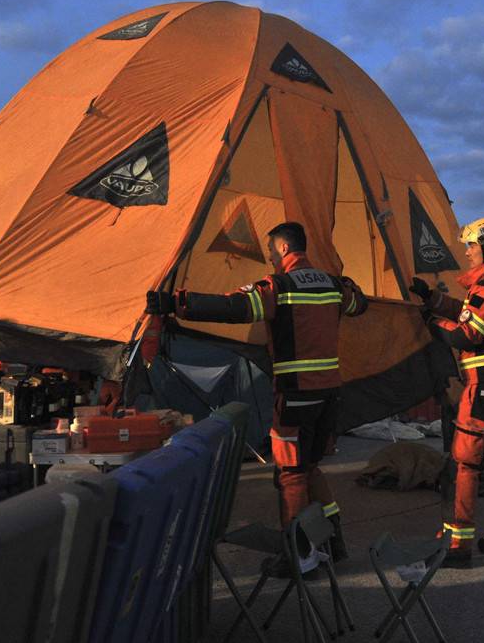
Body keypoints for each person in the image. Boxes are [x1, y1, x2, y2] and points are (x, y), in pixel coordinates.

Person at [145, 222, 367, 573]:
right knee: (310, 468)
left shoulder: (278, 287)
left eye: (270, 251)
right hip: (329, 395)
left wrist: (176, 303)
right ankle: (333, 542)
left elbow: (235, 307)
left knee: (290, 474)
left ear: (282, 249)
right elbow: (360, 305)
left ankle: (300, 556)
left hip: (295, 395)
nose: (269, 258)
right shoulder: (333, 285)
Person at [409, 216, 484, 567]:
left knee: (464, 467)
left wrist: (433, 324)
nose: (466, 252)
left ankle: (456, 546)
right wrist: (433, 299)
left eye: (471, 246)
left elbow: (466, 334)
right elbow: (470, 315)